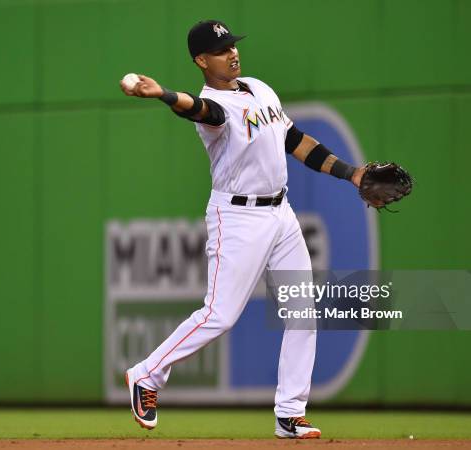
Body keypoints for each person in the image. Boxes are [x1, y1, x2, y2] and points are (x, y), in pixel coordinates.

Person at [119, 19, 365, 440]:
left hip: (281, 214)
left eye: (232, 45)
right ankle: (146, 374)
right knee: (220, 314)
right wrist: (162, 94)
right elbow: (197, 109)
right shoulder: (212, 105)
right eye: (221, 49)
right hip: (237, 217)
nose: (232, 52)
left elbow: (296, 141)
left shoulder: (259, 88)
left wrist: (352, 174)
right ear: (201, 60)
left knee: (303, 313)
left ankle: (290, 413)